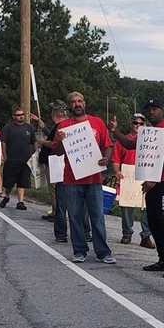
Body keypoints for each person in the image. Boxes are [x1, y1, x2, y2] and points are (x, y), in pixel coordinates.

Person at [52, 91, 115, 263]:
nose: (77, 104)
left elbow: (108, 145)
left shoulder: (97, 122)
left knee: (97, 216)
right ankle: (79, 250)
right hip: (72, 179)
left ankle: (103, 252)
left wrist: (106, 158)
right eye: (73, 102)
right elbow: (57, 152)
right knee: (75, 216)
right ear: (69, 105)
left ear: (84, 103)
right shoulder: (63, 126)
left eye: (80, 101)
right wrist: (58, 140)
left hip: (94, 178)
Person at [136, 99, 164, 278]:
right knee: (154, 220)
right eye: (149, 110)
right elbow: (132, 144)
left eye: (155, 109)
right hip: (152, 182)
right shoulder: (148, 130)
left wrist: (156, 178)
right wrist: (115, 131)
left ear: (161, 110)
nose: (152, 112)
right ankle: (163, 258)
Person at [112, 113, 154, 248]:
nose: (138, 126)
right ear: (131, 124)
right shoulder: (123, 140)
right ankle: (127, 233)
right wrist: (117, 171)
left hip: (144, 175)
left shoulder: (150, 140)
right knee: (126, 206)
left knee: (147, 207)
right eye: (136, 123)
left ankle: (146, 236)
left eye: (141, 123)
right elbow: (116, 159)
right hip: (128, 175)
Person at [0, 107, 40, 210]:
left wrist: (35, 154)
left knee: (22, 181)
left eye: (22, 114)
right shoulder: (8, 128)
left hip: (25, 160)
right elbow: (3, 142)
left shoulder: (29, 128)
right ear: (14, 116)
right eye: (18, 115)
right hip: (12, 159)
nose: (20, 116)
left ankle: (20, 202)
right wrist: (4, 156)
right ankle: (6, 196)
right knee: (9, 183)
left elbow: (34, 141)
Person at [38, 101, 67, 223]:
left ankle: (57, 213)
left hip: (56, 159)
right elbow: (51, 136)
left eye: (54, 111)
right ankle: (56, 211)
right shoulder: (58, 125)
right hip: (54, 159)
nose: (52, 113)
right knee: (54, 188)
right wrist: (44, 127)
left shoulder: (61, 125)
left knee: (54, 188)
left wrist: (41, 141)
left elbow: (54, 143)